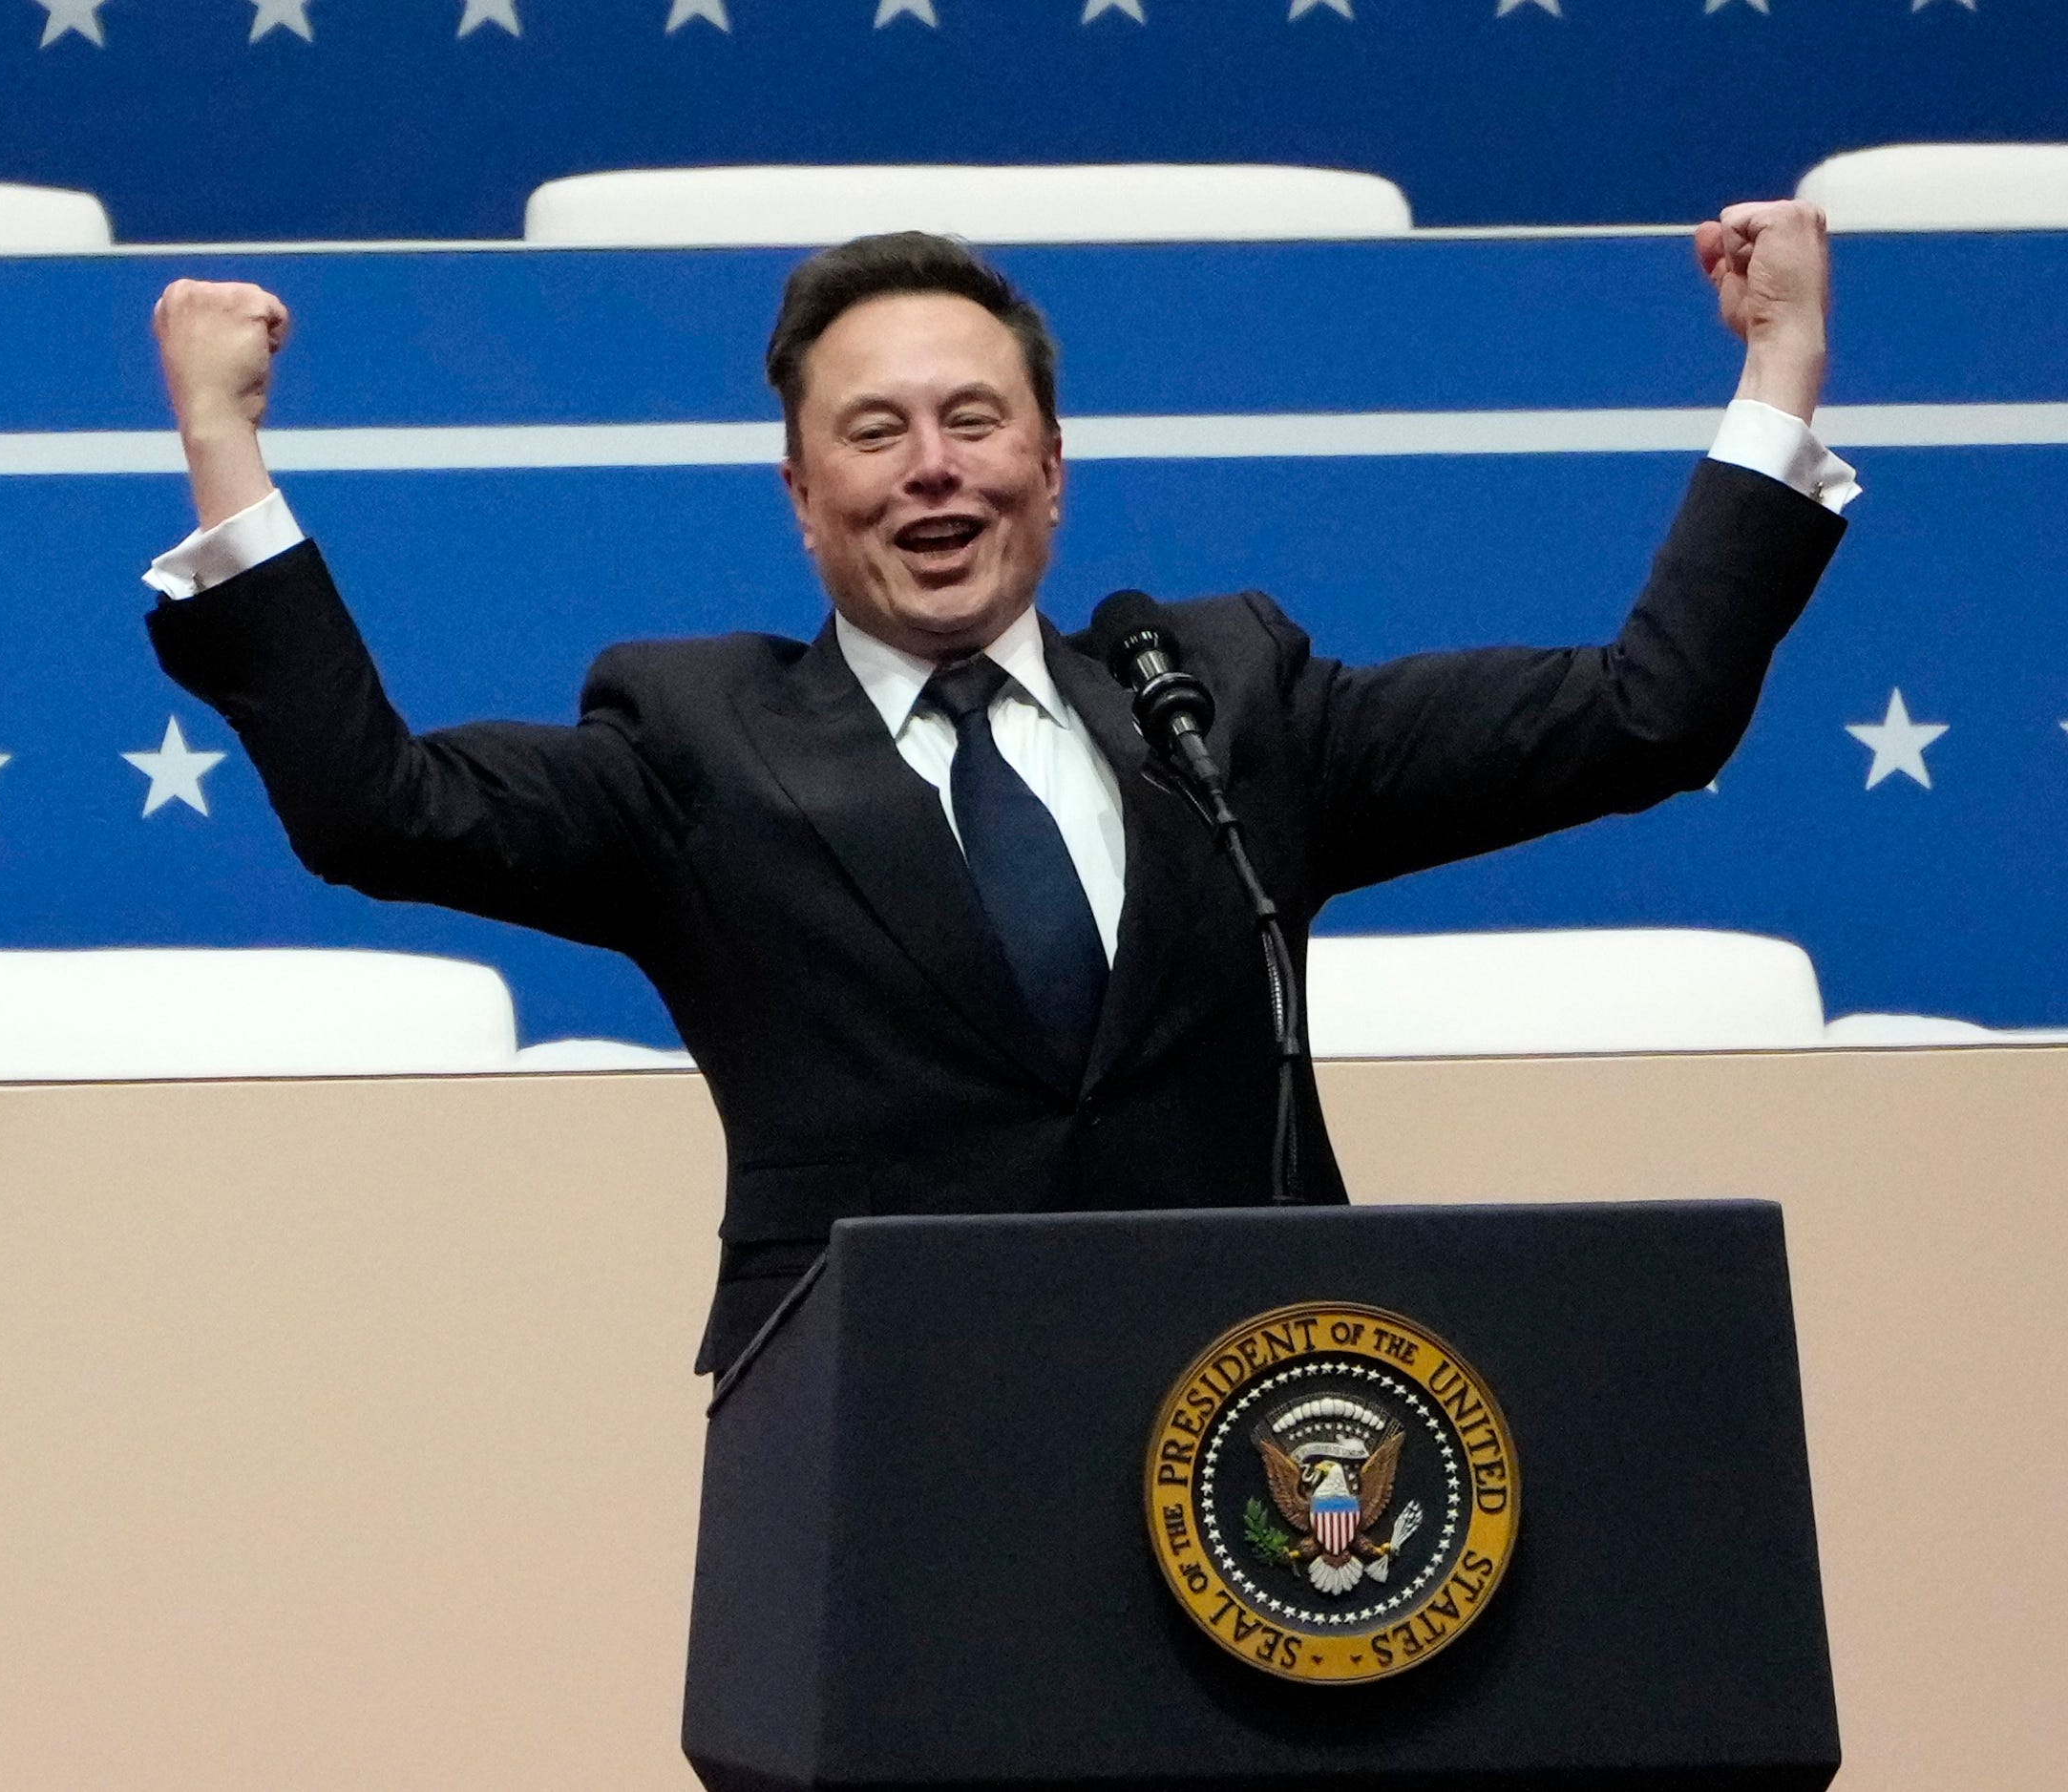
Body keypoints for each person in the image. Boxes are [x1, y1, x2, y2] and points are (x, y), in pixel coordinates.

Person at [141, 209, 1855, 1375]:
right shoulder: (694, 742)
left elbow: (1648, 718)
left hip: (1250, 1423)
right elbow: (380, 809)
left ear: (1052, 465)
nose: (934, 466)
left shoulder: (1223, 700)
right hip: (879, 1442)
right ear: (803, 498)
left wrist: (1776, 369)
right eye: (875, 434)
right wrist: (230, 450)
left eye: (976, 418)